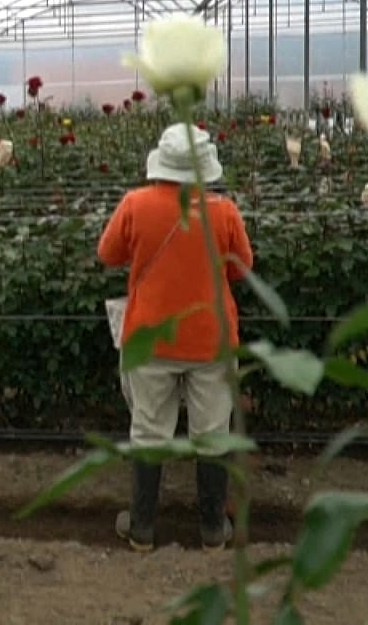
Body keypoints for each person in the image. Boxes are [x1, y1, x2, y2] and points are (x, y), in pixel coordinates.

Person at [97, 123, 253, 552]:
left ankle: (142, 528)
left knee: (149, 428)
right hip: (211, 341)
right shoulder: (223, 212)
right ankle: (211, 530)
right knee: (211, 432)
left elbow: (107, 254)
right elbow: (241, 268)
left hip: (150, 339)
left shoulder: (135, 204)